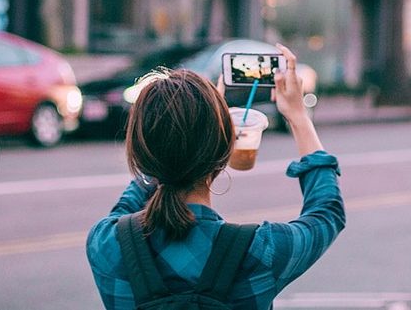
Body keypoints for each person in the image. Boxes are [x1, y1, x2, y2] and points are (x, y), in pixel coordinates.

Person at [86, 45, 345, 309]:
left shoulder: (107, 243)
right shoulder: (260, 250)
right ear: (224, 150)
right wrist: (298, 116)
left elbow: (140, 185)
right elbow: (327, 213)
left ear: (140, 152)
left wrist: (197, 126)